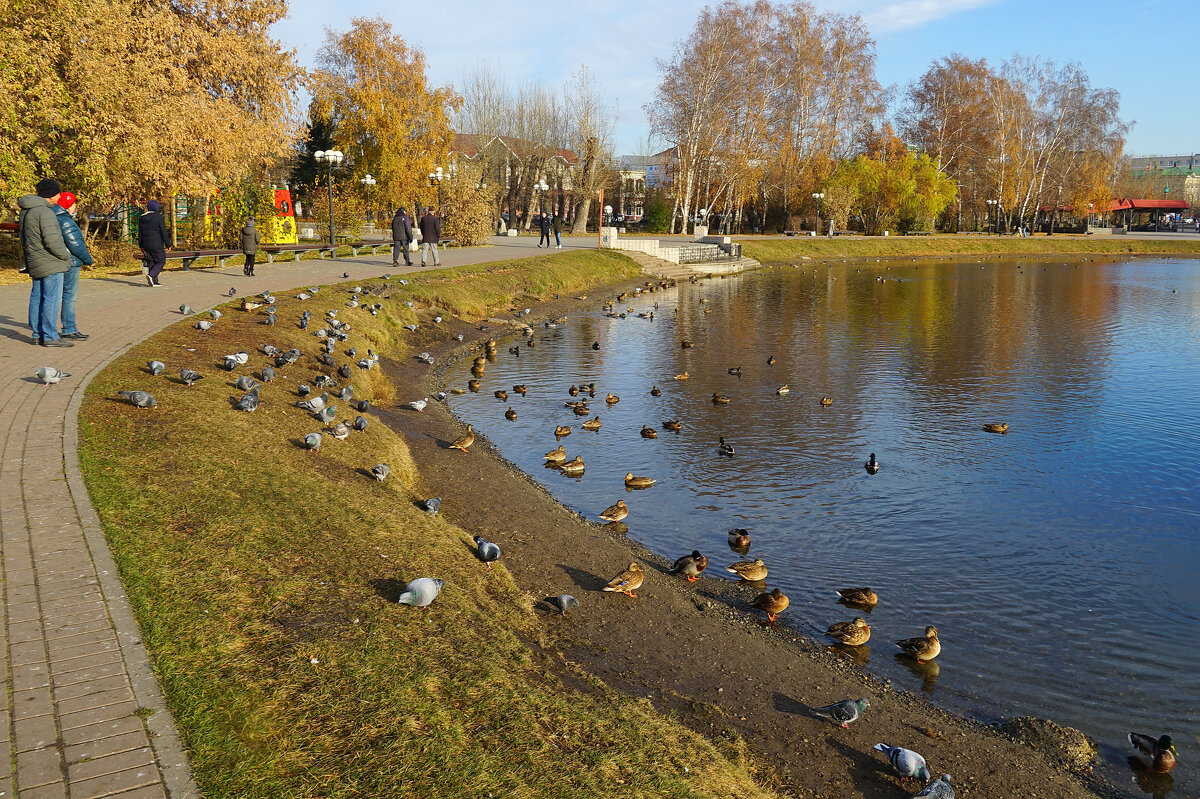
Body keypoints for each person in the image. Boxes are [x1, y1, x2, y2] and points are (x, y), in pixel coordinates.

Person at [18, 178, 73, 347]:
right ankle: (49, 336)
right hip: (50, 261)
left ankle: (37, 333)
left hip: (35, 259)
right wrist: (65, 255)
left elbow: (23, 237)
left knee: (36, 297)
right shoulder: (45, 212)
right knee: (52, 298)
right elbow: (52, 240)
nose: (59, 196)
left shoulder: (26, 211)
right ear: (50, 196)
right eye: (57, 193)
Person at [51, 191, 93, 340]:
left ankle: (45, 327)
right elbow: (75, 244)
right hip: (71, 262)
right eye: (74, 203)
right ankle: (69, 328)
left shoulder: (50, 217)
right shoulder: (65, 221)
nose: (76, 207)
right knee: (69, 296)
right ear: (69, 205)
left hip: (55, 261)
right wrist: (88, 260)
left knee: (52, 295)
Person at [139, 199, 170, 286]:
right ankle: (151, 275)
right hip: (157, 244)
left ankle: (154, 281)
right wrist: (168, 244)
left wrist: (141, 245)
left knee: (151, 262)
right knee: (161, 261)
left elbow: (140, 233)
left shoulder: (142, 218)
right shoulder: (159, 217)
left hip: (146, 244)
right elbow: (163, 232)